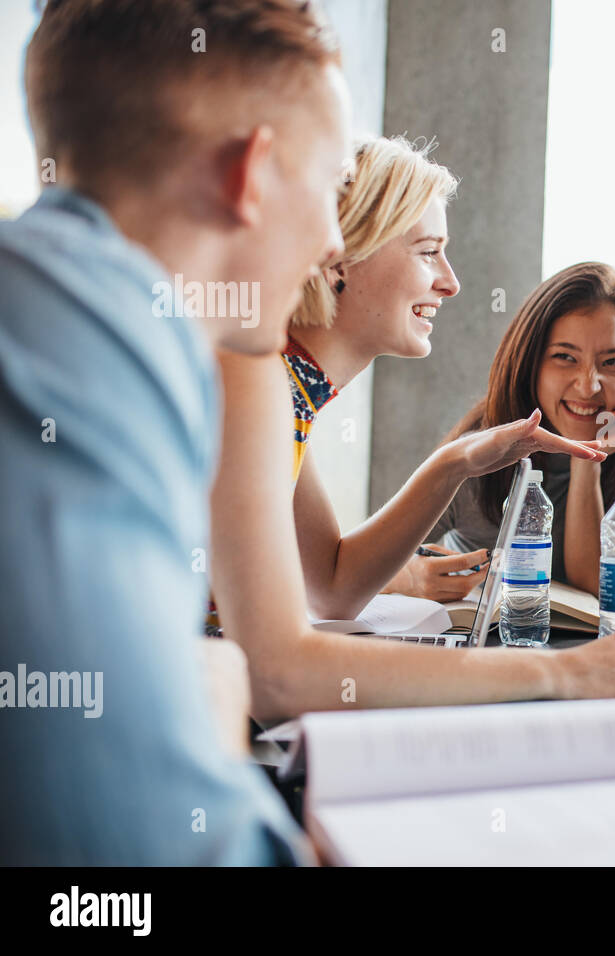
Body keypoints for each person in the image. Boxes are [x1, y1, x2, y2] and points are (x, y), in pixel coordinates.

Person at [0, 0, 352, 864]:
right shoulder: (95, 336)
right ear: (252, 176)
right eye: (332, 185)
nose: (336, 239)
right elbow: (126, 849)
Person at [210, 160, 615, 719]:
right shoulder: (250, 382)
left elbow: (331, 587)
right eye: (428, 250)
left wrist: (452, 463)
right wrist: (561, 671)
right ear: (340, 255)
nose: (450, 281)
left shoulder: (285, 394)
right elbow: (279, 674)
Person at [434, 262, 615, 595]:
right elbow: (370, 564)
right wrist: (410, 577)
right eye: (565, 357)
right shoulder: (477, 451)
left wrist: (589, 458)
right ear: (531, 363)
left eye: (613, 362)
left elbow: (597, 583)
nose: (588, 387)